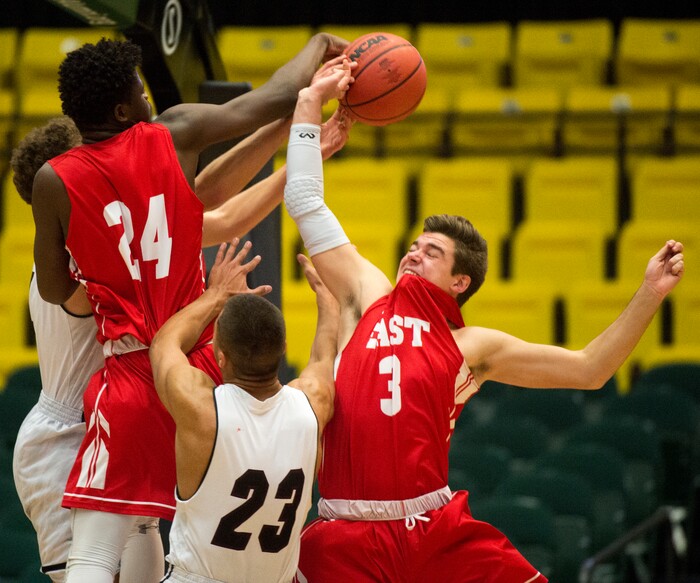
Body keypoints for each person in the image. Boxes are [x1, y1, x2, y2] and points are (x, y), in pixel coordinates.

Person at [283, 82, 686, 581]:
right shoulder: (369, 294)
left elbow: (591, 369)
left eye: (432, 252)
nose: (414, 253)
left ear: (460, 281)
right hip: (344, 527)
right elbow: (304, 199)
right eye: (414, 246)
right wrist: (306, 103)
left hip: (429, 529)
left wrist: (649, 293)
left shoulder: (470, 345)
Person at [29, 31, 348, 583]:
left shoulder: (54, 180)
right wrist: (318, 47)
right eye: (139, 88)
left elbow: (57, 289)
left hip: (130, 370)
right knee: (158, 527)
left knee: (97, 551)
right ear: (122, 106)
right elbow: (277, 91)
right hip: (201, 370)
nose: (148, 96)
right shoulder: (172, 132)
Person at [149, 240, 338, 583]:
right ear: (283, 348)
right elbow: (325, 357)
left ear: (220, 357)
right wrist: (327, 300)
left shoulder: (201, 407)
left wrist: (216, 294)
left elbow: (164, 344)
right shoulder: (313, 404)